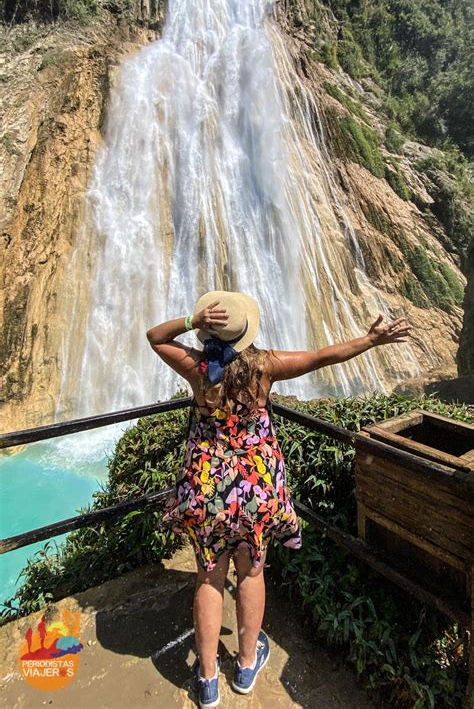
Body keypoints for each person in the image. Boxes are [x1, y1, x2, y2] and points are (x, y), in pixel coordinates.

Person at [146, 290, 410, 707]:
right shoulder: (265, 367)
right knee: (251, 574)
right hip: (256, 488)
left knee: (210, 578)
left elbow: (155, 337)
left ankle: (209, 678)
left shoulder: (197, 368)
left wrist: (190, 321)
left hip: (207, 488)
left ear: (209, 330)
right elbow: (323, 356)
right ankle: (247, 665)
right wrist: (371, 340)